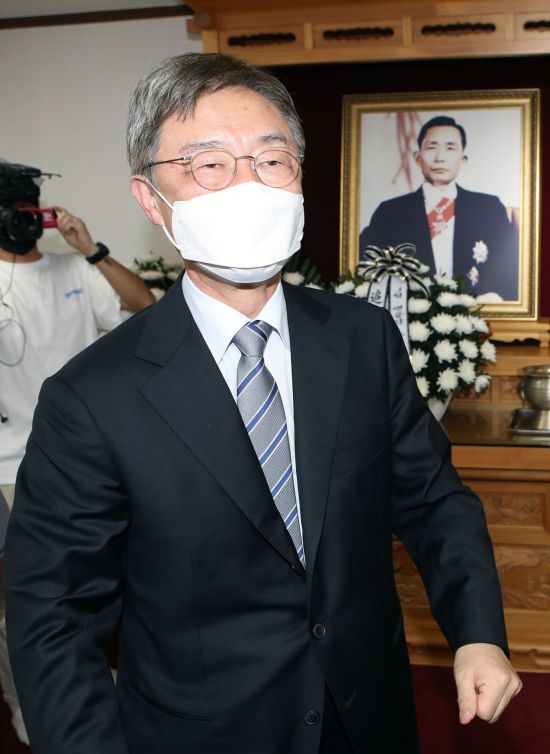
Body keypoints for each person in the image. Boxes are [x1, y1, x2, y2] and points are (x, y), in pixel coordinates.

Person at [5, 54, 521, 754]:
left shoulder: (362, 339)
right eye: (209, 165)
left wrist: (479, 634)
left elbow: (433, 500)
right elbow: (55, 620)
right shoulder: (91, 398)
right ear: (151, 200)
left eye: (271, 160)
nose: (248, 185)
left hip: (367, 717)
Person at [0, 161, 155, 744]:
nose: (22, 222)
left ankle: (115, 699)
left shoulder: (77, 268)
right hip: (10, 467)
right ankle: (33, 715)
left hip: (91, 459)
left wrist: (91, 249)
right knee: (32, 602)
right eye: (12, 213)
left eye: (30, 211)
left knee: (109, 587)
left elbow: (146, 308)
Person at [359, 115, 519, 301]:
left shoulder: (488, 208)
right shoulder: (390, 212)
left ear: (463, 159)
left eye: (450, 148)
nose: (440, 158)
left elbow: (509, 264)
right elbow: (368, 266)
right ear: (418, 157)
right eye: (431, 147)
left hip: (478, 311)